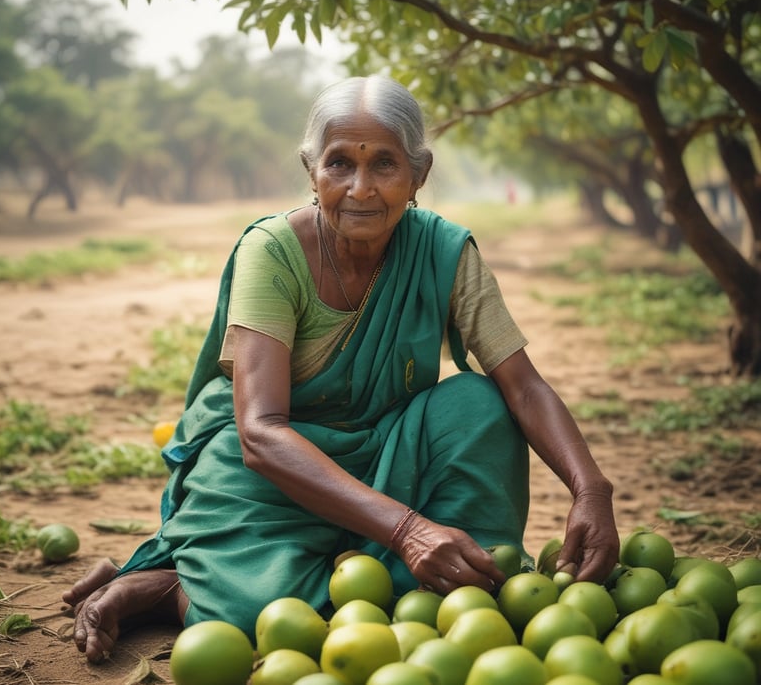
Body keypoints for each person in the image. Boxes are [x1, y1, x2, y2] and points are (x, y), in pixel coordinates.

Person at [63, 75, 619, 664]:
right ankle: (165, 583)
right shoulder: (272, 253)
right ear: (311, 171)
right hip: (275, 465)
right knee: (269, 617)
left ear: (418, 175)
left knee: (480, 406)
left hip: (387, 448)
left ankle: (354, 565)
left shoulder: (445, 252)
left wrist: (591, 489)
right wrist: (408, 531)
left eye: (384, 164)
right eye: (338, 165)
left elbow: (524, 387)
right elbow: (261, 432)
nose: (361, 188)